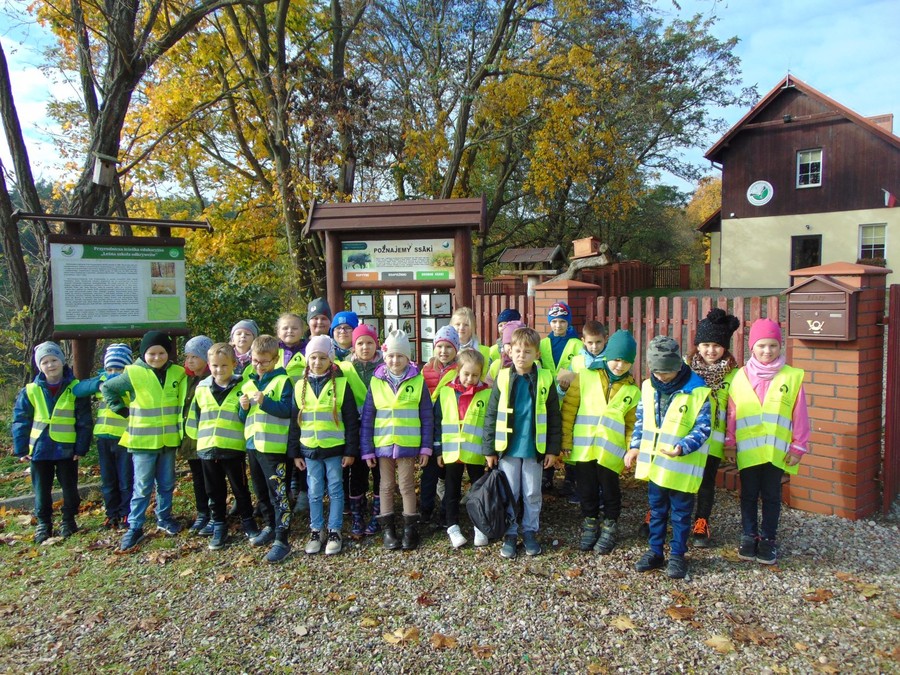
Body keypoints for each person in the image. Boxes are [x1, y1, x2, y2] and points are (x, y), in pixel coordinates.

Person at [625, 335, 711, 580]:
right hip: (656, 466)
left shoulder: (699, 391)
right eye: (657, 372)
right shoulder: (648, 386)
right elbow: (641, 421)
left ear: (678, 366)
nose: (661, 377)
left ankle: (677, 555)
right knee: (657, 510)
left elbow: (703, 429)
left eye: (667, 372)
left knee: (681, 514)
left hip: (682, 467)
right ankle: (655, 551)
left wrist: (683, 447)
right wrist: (634, 447)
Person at [726, 319, 809, 565]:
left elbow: (800, 414)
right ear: (752, 347)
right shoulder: (740, 376)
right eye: (761, 345)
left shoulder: (791, 377)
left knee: (772, 495)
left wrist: (798, 446)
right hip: (749, 451)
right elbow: (732, 412)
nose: (767, 351)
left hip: (776, 451)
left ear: (780, 346)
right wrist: (729, 441)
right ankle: (749, 535)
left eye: (773, 345)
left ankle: (769, 538)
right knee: (749, 494)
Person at [103, 331, 187, 550]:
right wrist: (122, 410)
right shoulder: (133, 373)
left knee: (167, 484)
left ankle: (164, 518)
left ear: (168, 353)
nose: (157, 358)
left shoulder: (178, 373)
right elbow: (109, 388)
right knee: (142, 487)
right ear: (143, 354)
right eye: (152, 353)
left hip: (168, 440)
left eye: (161, 353)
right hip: (142, 441)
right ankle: (135, 526)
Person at [482, 326, 561, 559]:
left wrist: (553, 449)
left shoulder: (546, 378)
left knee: (531, 492)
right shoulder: (503, 377)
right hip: (507, 449)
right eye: (517, 350)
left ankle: (529, 530)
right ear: (509, 351)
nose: (521, 355)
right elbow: (491, 413)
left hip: (534, 449)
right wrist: (489, 449)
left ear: (537, 354)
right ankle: (510, 532)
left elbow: (554, 415)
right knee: (511, 492)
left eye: (527, 351)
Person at [561, 330, 639, 553]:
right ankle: (590, 521)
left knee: (611, 489)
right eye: (616, 359)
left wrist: (630, 450)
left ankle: (610, 526)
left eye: (625, 361)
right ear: (607, 356)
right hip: (584, 448)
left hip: (611, 452)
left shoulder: (632, 390)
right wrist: (565, 441)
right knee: (586, 489)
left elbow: (632, 424)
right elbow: (569, 410)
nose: (619, 365)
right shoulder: (585, 376)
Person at [360, 330, 433, 551]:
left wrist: (426, 448)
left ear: (407, 357)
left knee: (407, 485)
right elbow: (367, 418)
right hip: (383, 444)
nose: (395, 360)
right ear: (385, 356)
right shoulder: (376, 381)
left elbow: (427, 417)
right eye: (391, 355)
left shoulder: (418, 381)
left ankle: (410, 529)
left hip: (408, 445)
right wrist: (367, 450)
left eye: (400, 356)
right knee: (385, 485)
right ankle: (388, 530)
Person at [13, 341, 92, 543]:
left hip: (67, 449)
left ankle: (68, 521)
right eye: (45, 362)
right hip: (39, 449)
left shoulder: (75, 388)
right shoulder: (30, 390)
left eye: (54, 360)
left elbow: (84, 420)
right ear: (40, 366)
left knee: (69, 488)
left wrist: (81, 448)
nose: (50, 365)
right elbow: (21, 420)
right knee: (41, 490)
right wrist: (21, 448)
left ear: (62, 361)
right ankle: (44, 524)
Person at [287, 336, 359, 555]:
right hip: (309, 449)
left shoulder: (342, 384)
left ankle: (335, 530)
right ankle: (316, 530)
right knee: (315, 492)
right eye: (313, 358)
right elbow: (294, 422)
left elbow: (351, 420)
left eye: (322, 357)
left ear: (330, 359)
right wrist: (295, 452)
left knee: (336, 490)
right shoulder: (300, 385)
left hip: (334, 449)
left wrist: (350, 450)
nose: (317, 362)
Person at [186, 342, 260, 550]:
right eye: (215, 366)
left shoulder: (243, 387)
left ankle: (248, 522)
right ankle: (219, 524)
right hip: (208, 448)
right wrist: (198, 440)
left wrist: (245, 409)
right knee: (214, 490)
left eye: (224, 366)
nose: (219, 370)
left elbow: (247, 416)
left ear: (234, 364)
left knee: (240, 488)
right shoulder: (202, 389)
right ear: (209, 366)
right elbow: (194, 417)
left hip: (233, 448)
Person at [687, 308, 740, 547]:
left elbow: (734, 412)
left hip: (714, 442)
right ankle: (670, 517)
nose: (711, 350)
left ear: (725, 347)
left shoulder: (734, 375)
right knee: (683, 480)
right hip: (687, 438)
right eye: (706, 344)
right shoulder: (685, 370)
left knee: (707, 483)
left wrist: (730, 442)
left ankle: (701, 521)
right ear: (697, 345)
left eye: (717, 345)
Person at [239, 334, 294, 563]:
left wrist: (264, 401)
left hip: (275, 447)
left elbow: (286, 411)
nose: (259, 365)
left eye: (264, 361)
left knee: (278, 494)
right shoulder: (248, 382)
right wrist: (242, 408)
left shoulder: (283, 381)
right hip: (253, 444)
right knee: (260, 491)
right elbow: (244, 417)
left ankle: (283, 538)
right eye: (255, 361)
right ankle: (269, 525)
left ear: (276, 359)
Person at [434, 349, 492, 548]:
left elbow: (489, 424)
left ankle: (479, 526)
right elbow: (437, 422)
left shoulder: (487, 393)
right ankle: (453, 526)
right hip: (452, 451)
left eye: (475, 375)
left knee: (478, 491)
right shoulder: (446, 392)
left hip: (476, 452)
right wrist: (438, 450)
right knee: (451, 491)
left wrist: (490, 451)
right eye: (466, 374)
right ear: (458, 370)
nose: (470, 379)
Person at [72, 343, 134, 530]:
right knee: (108, 480)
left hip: (125, 438)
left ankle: (126, 514)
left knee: (125, 480)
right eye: (110, 368)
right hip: (104, 439)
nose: (114, 372)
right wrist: (100, 382)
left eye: (119, 368)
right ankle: (111, 514)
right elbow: (78, 389)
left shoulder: (130, 382)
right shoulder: (102, 381)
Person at [337, 324, 383, 537]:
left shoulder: (385, 365)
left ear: (377, 344)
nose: (365, 347)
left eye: (369, 342)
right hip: (354, 427)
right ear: (353, 346)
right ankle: (357, 514)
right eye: (360, 343)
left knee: (380, 472)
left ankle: (378, 513)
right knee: (357, 472)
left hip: (381, 427)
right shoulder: (343, 367)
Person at [539, 302, 584, 495]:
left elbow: (581, 368)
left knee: (568, 436)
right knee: (548, 436)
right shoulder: (543, 343)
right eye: (554, 321)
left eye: (562, 321)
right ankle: (546, 477)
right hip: (548, 399)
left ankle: (570, 479)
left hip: (569, 398)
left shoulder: (577, 344)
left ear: (568, 322)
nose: (558, 325)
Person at [420, 325, 461, 528]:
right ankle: (425, 511)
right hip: (429, 425)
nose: (443, 351)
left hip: (449, 426)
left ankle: (446, 512)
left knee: (449, 473)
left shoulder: (460, 371)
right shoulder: (426, 370)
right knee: (428, 473)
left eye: (448, 347)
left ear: (456, 349)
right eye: (440, 346)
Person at [179, 335, 214, 536]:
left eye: (195, 356)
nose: (190, 361)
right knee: (198, 479)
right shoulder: (186, 379)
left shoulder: (211, 379)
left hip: (208, 438)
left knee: (210, 479)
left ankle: (213, 513)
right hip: (191, 439)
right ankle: (202, 513)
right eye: (188, 356)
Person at [450, 307, 491, 376]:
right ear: (451, 326)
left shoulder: (485, 351)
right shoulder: (445, 349)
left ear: (473, 327)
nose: (461, 328)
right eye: (458, 324)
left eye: (466, 325)